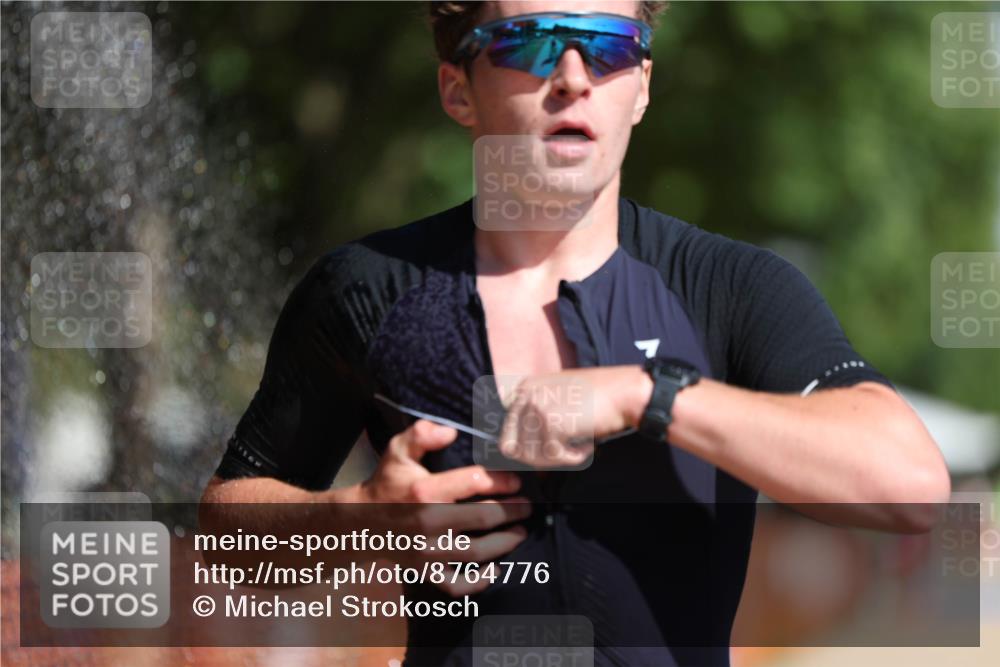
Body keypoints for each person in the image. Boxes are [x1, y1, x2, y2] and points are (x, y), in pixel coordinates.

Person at [201, 1, 951, 665]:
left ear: (642, 86)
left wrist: (649, 396)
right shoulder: (367, 286)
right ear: (458, 89)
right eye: (530, 42)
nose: (572, 77)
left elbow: (911, 487)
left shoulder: (731, 287)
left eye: (608, 46)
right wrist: (361, 520)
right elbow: (224, 535)